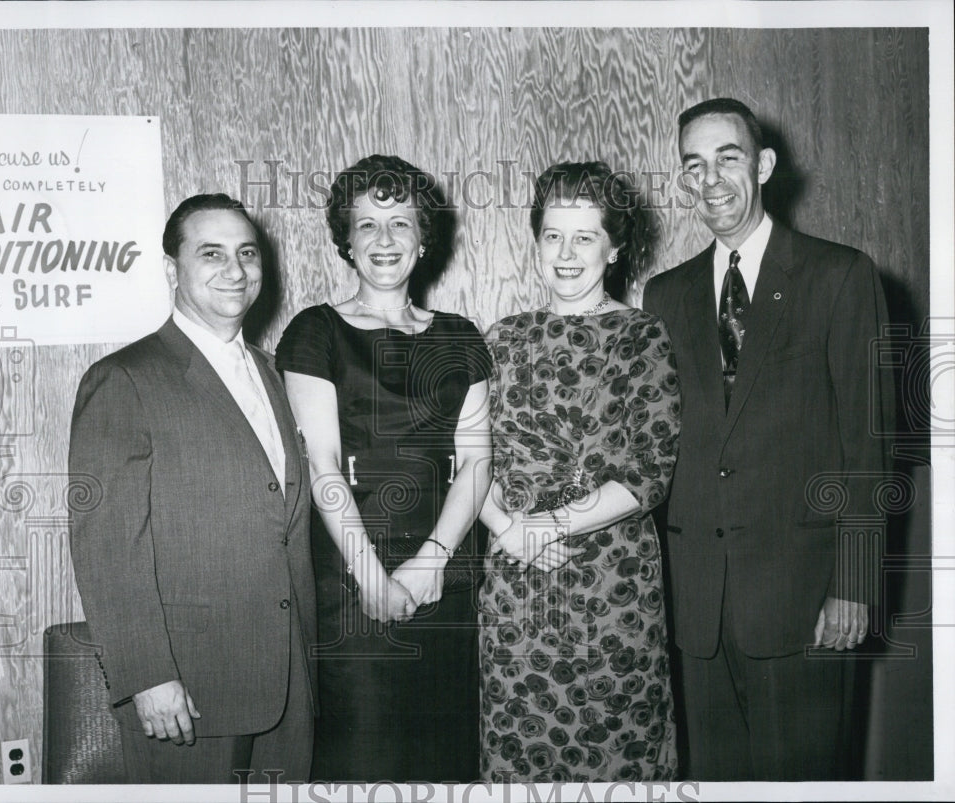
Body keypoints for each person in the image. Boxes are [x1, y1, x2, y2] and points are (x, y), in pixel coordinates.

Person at [642, 97, 892, 780]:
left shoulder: (839, 275)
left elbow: (867, 445)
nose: (711, 180)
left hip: (805, 600)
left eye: (728, 158)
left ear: (766, 165)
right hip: (695, 609)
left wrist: (856, 583)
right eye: (694, 166)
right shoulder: (663, 295)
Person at [68, 193, 316, 783]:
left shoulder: (275, 373)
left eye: (247, 254)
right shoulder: (123, 379)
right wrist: (147, 676)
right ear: (171, 269)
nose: (235, 271)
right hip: (187, 691)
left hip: (289, 682)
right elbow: (106, 549)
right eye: (212, 254)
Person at [276, 154, 491, 781]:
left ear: (424, 238)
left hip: (446, 575)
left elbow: (476, 462)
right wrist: (372, 578)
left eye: (400, 223)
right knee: (364, 763)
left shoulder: (461, 336)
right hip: (351, 578)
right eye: (367, 225)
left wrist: (432, 560)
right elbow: (321, 468)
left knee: (446, 762)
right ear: (346, 241)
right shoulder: (316, 331)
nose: (384, 239)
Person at [479, 161, 682, 782]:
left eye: (585, 237)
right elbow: (464, 459)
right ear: (536, 242)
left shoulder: (641, 335)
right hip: (517, 584)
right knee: (521, 748)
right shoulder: (500, 338)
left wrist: (549, 526)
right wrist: (510, 530)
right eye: (552, 236)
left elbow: (650, 470)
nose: (566, 254)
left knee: (616, 753)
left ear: (615, 248)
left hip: (612, 583)